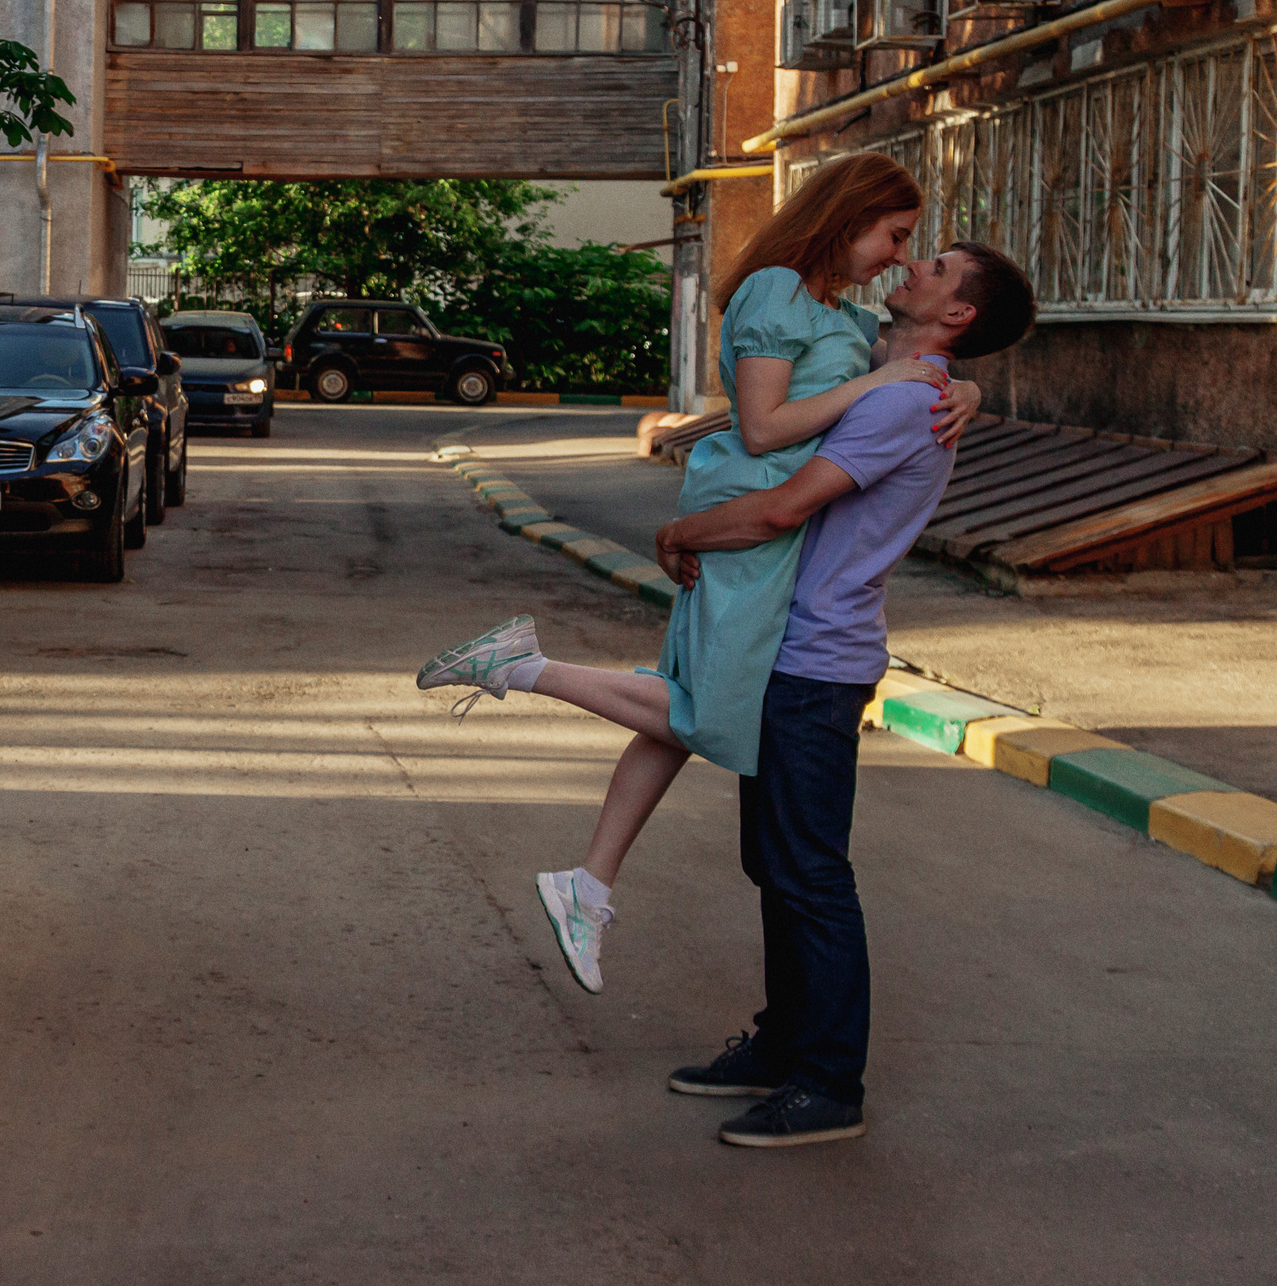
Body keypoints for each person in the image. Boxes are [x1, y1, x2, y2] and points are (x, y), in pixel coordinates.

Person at [416, 153, 980, 994]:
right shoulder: (777, 292)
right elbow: (762, 428)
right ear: (848, 216)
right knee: (709, 713)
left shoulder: (842, 315)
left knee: (684, 702)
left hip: (766, 521)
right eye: (895, 237)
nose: (900, 256)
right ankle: (521, 667)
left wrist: (962, 387)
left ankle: (590, 885)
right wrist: (894, 378)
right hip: (751, 512)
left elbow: (922, 359)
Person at [649, 240, 1036, 1145]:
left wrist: (683, 530)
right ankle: (785, 1043)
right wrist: (972, 385)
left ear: (958, 314)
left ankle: (828, 1083)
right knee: (776, 863)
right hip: (795, 648)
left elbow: (786, 508)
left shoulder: (903, 399)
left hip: (819, 658)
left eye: (932, 267)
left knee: (811, 872)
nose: (909, 266)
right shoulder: (893, 369)